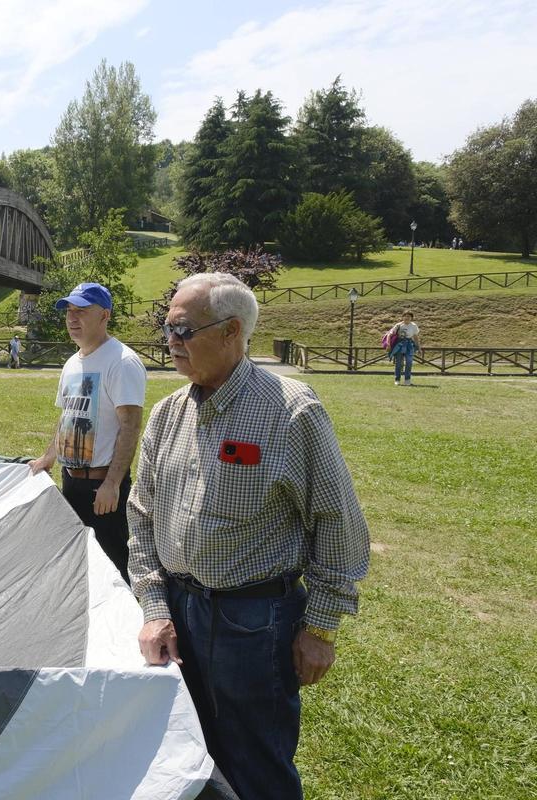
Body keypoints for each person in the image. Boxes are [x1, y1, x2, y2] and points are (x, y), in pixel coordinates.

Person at [128, 272, 370, 800]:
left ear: (232, 331)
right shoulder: (169, 413)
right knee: (187, 756)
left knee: (257, 764)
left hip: (255, 622)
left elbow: (338, 522)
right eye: (166, 330)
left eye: (183, 331)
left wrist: (321, 629)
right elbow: (142, 514)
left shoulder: (290, 410)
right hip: (179, 613)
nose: (170, 343)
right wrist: (154, 607)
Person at [28, 282, 146, 582]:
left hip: (102, 486)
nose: (72, 318)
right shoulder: (71, 363)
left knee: (113, 565)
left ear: (104, 315)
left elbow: (130, 426)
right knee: (79, 562)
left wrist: (112, 483)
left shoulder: (122, 362)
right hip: (71, 481)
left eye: (81, 311)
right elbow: (67, 416)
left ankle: (127, 624)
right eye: (69, 311)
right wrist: (47, 457)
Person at [388, 311, 422, 386]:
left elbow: (416, 337)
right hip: (399, 345)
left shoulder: (413, 326)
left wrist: (419, 348)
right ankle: (397, 380)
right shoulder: (398, 325)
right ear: (402, 317)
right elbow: (390, 334)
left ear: (411, 318)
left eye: (409, 316)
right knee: (399, 363)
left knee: (409, 362)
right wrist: (388, 344)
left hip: (409, 345)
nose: (407, 317)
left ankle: (407, 380)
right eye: (405, 316)